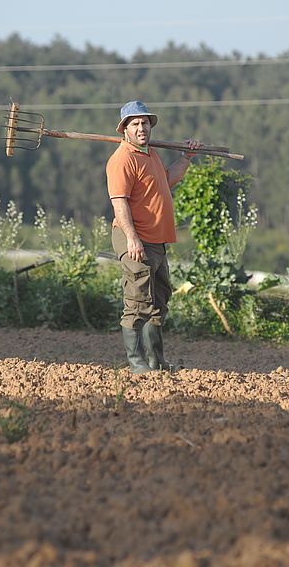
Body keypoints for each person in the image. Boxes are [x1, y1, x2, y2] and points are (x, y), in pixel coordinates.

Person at [106, 100, 202, 374]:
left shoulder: (150, 156)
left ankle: (155, 360)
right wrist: (133, 239)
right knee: (138, 300)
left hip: (157, 239)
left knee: (159, 300)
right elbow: (120, 202)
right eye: (134, 124)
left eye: (144, 123)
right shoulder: (122, 159)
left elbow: (168, 180)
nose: (141, 128)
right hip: (135, 238)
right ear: (124, 129)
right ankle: (136, 363)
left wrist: (186, 158)